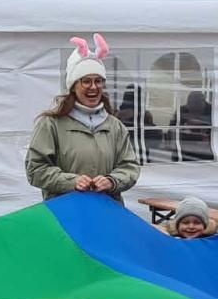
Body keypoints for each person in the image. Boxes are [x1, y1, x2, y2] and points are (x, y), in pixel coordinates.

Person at [25, 34, 140, 201]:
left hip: (107, 212)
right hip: (65, 213)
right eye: (86, 81)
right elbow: (35, 170)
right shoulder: (51, 124)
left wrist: (112, 181)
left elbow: (130, 167)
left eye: (98, 81)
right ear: (73, 86)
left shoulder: (115, 126)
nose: (93, 87)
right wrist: (72, 181)